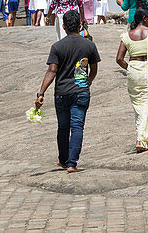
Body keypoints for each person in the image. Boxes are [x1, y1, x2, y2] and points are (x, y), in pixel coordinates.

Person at [34, 10, 99, 172]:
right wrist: (88, 82)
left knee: (63, 127)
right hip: (81, 91)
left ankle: (63, 159)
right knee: (77, 126)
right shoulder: (89, 45)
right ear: (80, 25)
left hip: (61, 92)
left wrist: (41, 93)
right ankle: (72, 163)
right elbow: (94, 69)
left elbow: (51, 71)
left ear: (63, 27)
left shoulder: (57, 46)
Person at [115, 0, 148, 152]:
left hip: (134, 71)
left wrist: (130, 67)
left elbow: (119, 59)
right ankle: (141, 138)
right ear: (145, 18)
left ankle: (143, 136)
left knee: (139, 106)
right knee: (147, 104)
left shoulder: (127, 35)